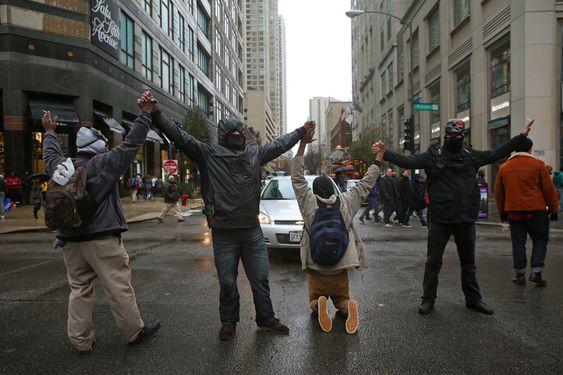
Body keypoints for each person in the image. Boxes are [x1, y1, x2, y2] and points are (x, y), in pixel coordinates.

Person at [143, 91, 314, 341]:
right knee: (227, 281)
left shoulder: (252, 154)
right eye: (233, 133)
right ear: (224, 136)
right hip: (224, 232)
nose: (237, 136)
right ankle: (229, 322)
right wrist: (155, 113)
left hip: (251, 230)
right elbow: (179, 136)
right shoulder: (208, 153)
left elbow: (279, 145)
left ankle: (265, 318)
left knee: (260, 279)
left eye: (239, 133)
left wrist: (300, 131)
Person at [376, 118, 534, 315]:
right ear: (445, 135)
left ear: (462, 135)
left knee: (469, 263)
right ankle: (428, 300)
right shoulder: (434, 156)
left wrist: (521, 137)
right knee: (433, 262)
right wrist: (386, 152)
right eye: (451, 135)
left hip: (465, 219)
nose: (454, 138)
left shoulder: (471, 156)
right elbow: (409, 161)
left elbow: (497, 153)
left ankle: (474, 299)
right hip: (440, 219)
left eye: (457, 135)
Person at [41, 92, 160, 354]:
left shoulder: (63, 166)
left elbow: (50, 156)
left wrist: (49, 132)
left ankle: (80, 341)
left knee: (79, 289)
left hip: (70, 239)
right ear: (98, 146)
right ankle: (134, 331)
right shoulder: (104, 163)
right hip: (101, 238)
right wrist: (145, 114)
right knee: (117, 286)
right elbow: (131, 144)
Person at [292, 131, 384, 334]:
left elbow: (297, 179)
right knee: (342, 296)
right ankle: (346, 307)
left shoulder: (308, 203)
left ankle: (319, 304)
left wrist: (302, 145)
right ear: (332, 191)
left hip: (317, 265)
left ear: (314, 191)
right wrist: (378, 157)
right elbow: (366, 183)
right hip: (341, 264)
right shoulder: (346, 201)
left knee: (315, 296)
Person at [494, 138, 559, 286]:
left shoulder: (504, 167)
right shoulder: (538, 165)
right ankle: (536, 272)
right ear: (530, 149)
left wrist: (502, 212)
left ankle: (520, 274)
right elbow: (549, 190)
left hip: (514, 212)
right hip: (536, 211)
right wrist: (554, 209)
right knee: (540, 241)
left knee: (518, 243)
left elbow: (498, 192)